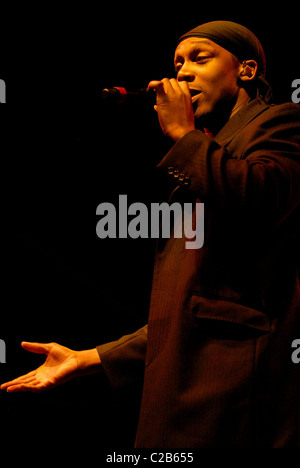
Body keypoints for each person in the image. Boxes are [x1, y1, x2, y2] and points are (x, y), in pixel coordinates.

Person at [1, 20, 300, 448]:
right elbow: (197, 308)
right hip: (189, 392)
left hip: (238, 395)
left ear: (246, 70)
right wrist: (90, 357)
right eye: (177, 63)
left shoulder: (281, 123)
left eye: (201, 57)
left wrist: (183, 133)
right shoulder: (207, 155)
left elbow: (264, 196)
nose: (182, 73)